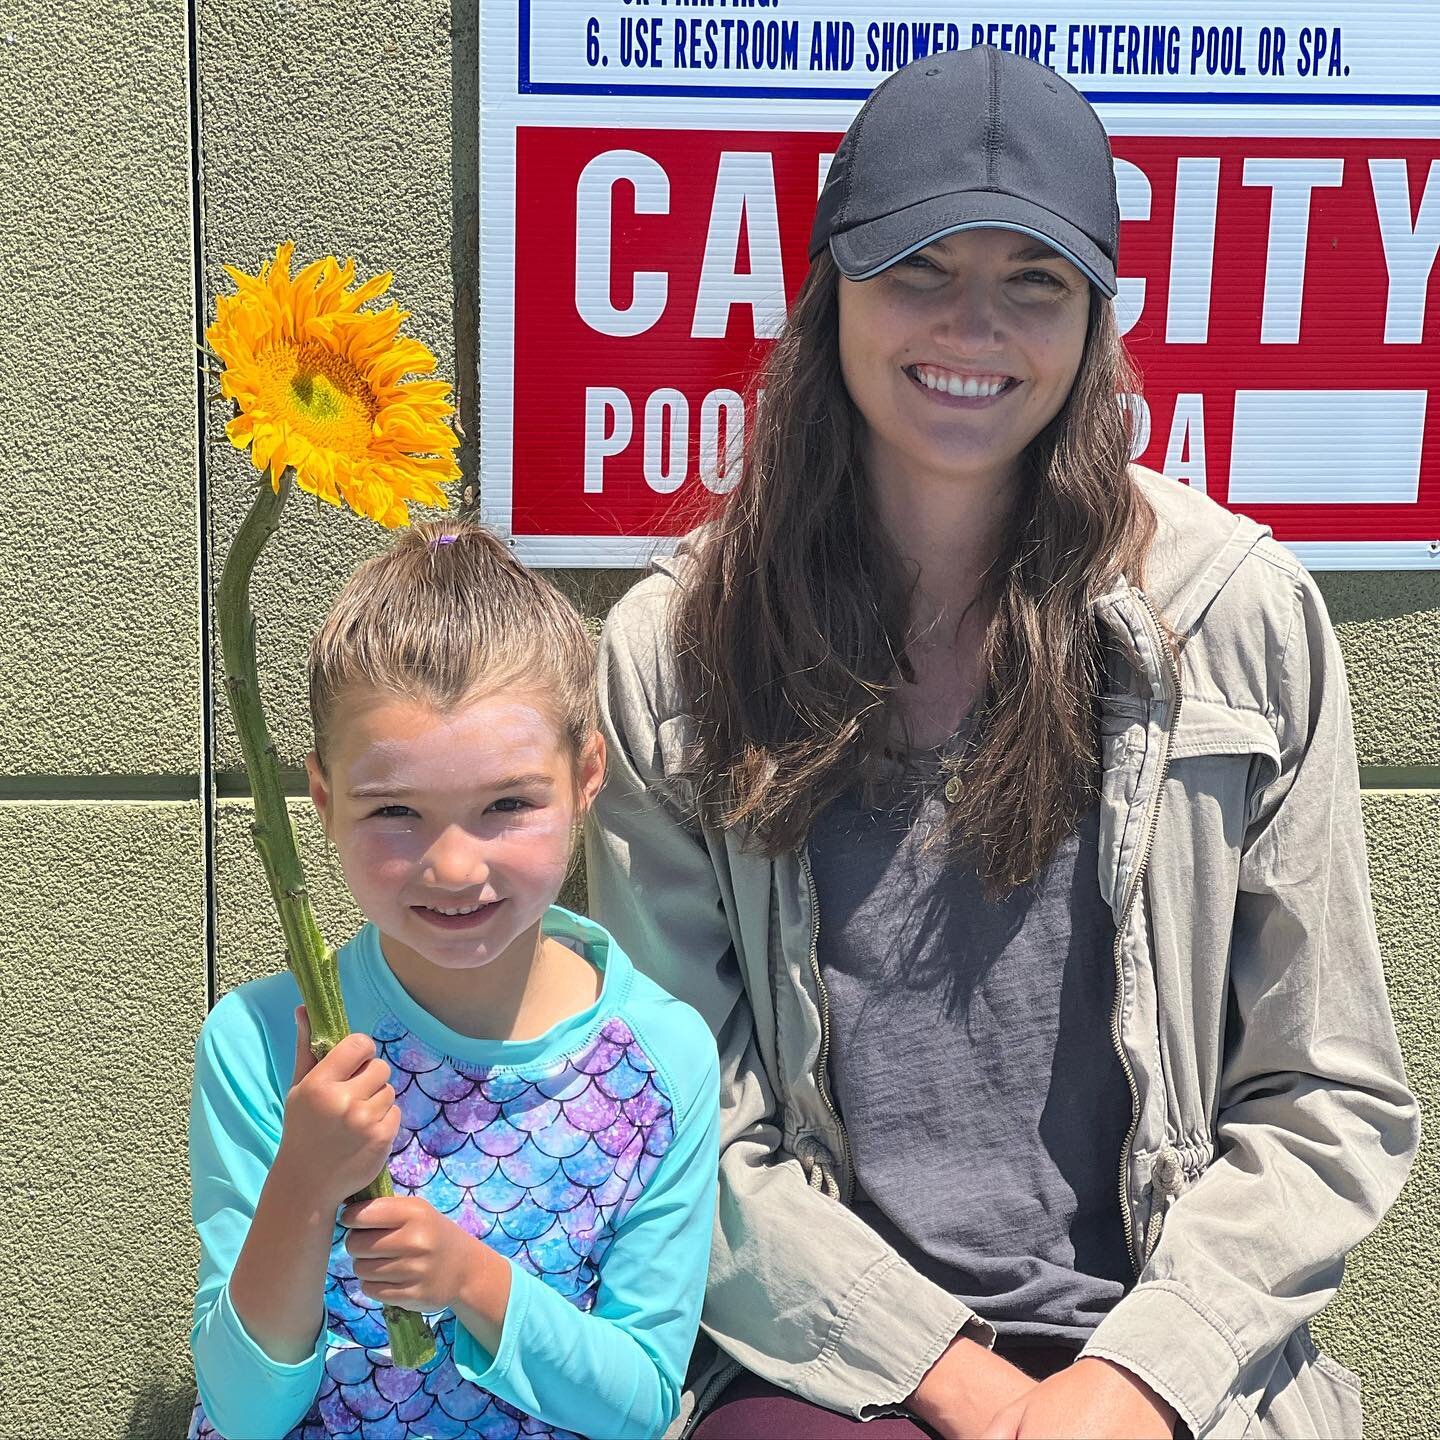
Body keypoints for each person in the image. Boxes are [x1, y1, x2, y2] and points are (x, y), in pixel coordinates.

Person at [586, 44, 1419, 1440]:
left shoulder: (1240, 619)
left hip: (1173, 1357)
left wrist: (1133, 1379)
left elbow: (1328, 1095)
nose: (973, 327)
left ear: (1094, 318)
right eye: (919, 267)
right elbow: (681, 1132)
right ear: (830, 286)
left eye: (1032, 281)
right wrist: (958, 1381)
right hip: (828, 1365)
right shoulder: (678, 653)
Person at [187, 521, 720, 1440]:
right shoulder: (266, 1043)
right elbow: (242, 1411)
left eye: (507, 804)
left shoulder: (662, 1061)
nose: (455, 869)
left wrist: (473, 1283)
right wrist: (304, 1182)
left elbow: (640, 1403)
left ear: (586, 775)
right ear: (320, 798)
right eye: (396, 811)